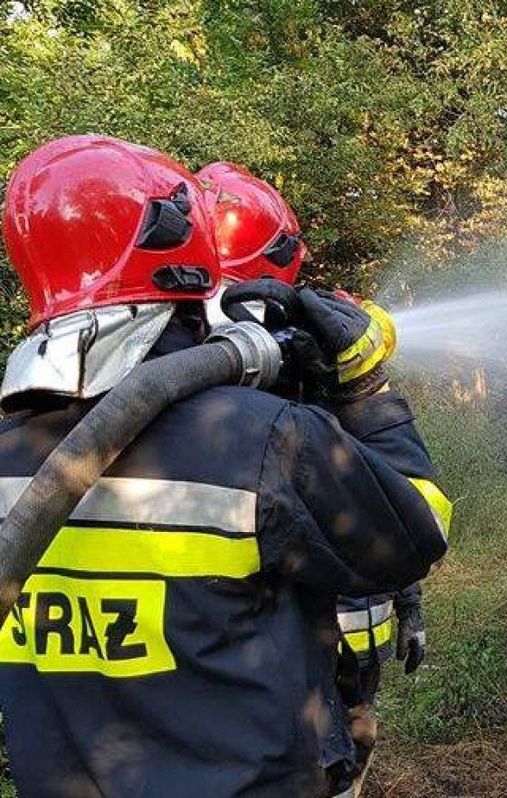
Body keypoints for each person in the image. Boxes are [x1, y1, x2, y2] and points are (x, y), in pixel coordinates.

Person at [0, 135, 447, 797]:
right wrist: (364, 389)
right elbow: (417, 531)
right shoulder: (264, 442)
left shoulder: (10, 457)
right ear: (185, 255)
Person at [199, 161, 448, 792]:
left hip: (335, 652)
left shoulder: (312, 368)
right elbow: (414, 510)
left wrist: (410, 603)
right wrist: (366, 390)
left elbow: (386, 503)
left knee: (352, 740)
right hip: (277, 681)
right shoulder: (211, 409)